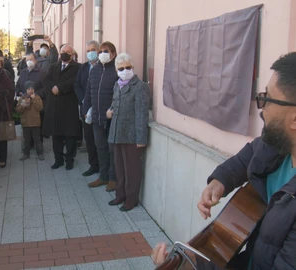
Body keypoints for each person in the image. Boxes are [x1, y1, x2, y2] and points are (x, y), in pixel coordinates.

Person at [153, 52, 296, 269]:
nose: (262, 108)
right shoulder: (277, 144)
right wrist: (219, 182)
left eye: (268, 99)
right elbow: (245, 159)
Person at [107, 53, 150, 212]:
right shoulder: (117, 85)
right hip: (117, 132)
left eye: (128, 67)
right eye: (121, 68)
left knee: (132, 169)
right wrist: (109, 111)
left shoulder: (140, 86)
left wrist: (141, 138)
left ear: (133, 67)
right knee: (119, 167)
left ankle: (131, 200)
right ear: (117, 70)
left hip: (132, 136)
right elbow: (114, 103)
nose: (125, 70)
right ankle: (120, 195)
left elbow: (141, 113)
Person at [82, 41, 119, 192]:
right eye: (101, 51)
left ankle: (113, 179)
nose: (102, 54)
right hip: (96, 118)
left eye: (106, 51)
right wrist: (85, 109)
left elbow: (119, 96)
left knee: (112, 150)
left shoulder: (117, 70)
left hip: (111, 119)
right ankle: (103, 176)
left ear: (113, 54)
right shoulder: (95, 70)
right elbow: (88, 92)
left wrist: (112, 110)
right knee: (100, 148)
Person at [42, 44, 81, 170]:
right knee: (56, 135)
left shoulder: (78, 67)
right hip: (54, 106)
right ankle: (58, 159)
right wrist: (53, 88)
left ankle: (69, 159)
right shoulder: (53, 67)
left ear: (72, 54)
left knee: (70, 135)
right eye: (62, 51)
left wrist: (60, 88)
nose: (64, 53)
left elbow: (75, 81)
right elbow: (47, 81)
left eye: (67, 52)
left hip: (69, 106)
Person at [74, 40, 100, 177]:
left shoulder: (103, 66)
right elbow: (77, 85)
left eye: (93, 50)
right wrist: (84, 101)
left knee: (100, 140)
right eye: (88, 51)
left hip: (100, 108)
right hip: (86, 109)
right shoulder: (83, 68)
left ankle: (103, 166)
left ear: (99, 50)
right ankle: (93, 165)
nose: (90, 53)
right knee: (89, 138)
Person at [16, 81, 44, 161]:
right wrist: (23, 105)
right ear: (25, 90)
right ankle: (26, 153)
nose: (30, 90)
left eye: (32, 88)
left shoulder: (37, 97)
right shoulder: (22, 98)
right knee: (26, 140)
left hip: (35, 123)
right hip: (26, 123)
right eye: (28, 89)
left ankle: (40, 153)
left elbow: (40, 108)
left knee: (37, 139)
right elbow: (18, 110)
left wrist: (34, 99)